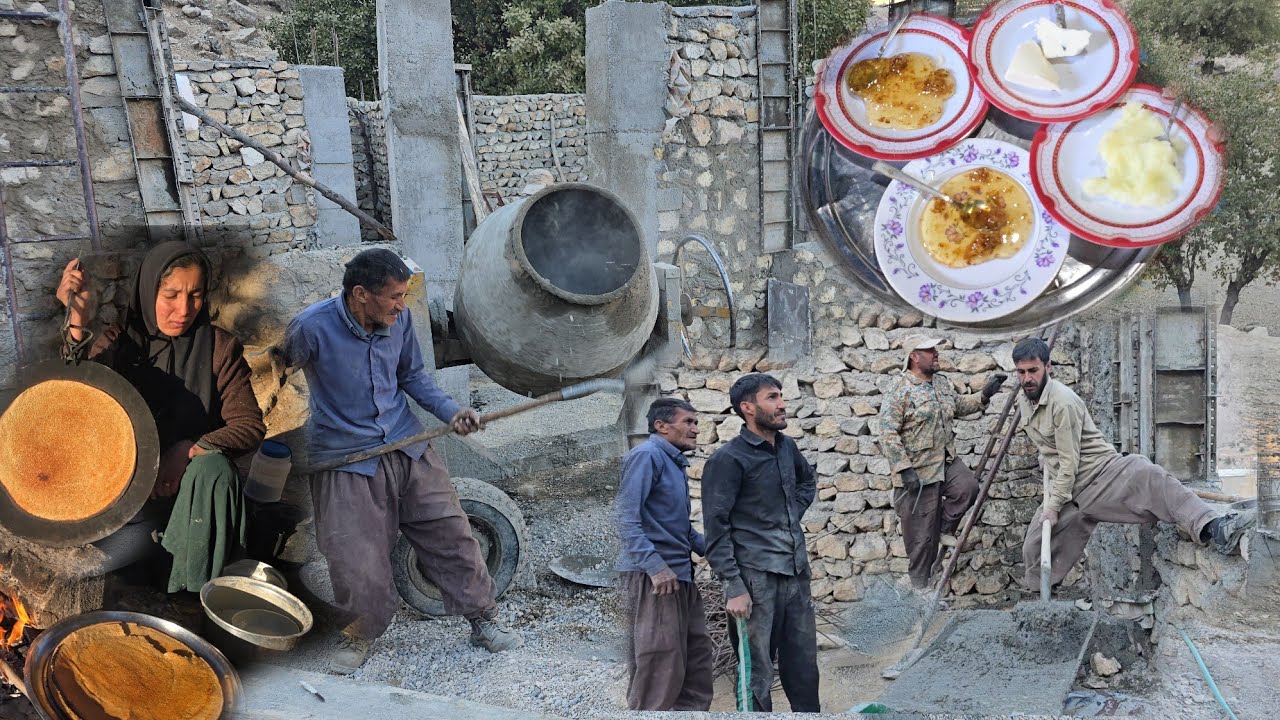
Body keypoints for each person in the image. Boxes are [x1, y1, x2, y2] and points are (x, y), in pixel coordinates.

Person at [282, 248, 521, 675]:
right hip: (345, 459)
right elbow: (270, 376)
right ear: (360, 295)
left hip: (407, 445)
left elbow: (412, 376)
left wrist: (451, 411)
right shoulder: (311, 328)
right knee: (355, 556)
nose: (401, 304)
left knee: (451, 533)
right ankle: (359, 632)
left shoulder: (399, 320)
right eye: (394, 296)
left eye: (403, 295)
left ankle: (483, 621)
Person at [55, 242, 266, 592]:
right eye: (170, 294)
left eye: (195, 295)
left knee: (214, 468)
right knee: (83, 566)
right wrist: (76, 319)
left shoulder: (219, 348)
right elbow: (70, 399)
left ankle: (196, 590)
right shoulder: (118, 344)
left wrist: (189, 448)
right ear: (148, 289)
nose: (183, 309)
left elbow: (249, 426)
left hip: (190, 496)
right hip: (126, 491)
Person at [1012, 337, 1256, 590]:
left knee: (1147, 474)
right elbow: (1052, 447)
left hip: (1101, 475)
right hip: (1068, 488)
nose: (1027, 378)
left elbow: (1069, 461)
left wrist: (1051, 507)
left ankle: (1214, 527)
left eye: (1033, 371)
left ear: (1048, 367)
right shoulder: (1024, 400)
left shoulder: (1063, 402)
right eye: (1021, 372)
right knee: (1034, 546)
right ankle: (1041, 607)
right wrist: (1046, 457)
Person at [702, 373, 820, 713]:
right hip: (755, 581)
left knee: (803, 667)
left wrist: (787, 517)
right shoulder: (728, 460)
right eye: (772, 397)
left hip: (795, 574)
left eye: (781, 395)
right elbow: (716, 529)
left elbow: (806, 483)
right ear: (748, 408)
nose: (782, 404)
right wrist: (734, 587)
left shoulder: (787, 447)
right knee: (757, 671)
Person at [878, 337, 1006, 593]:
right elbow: (887, 432)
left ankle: (941, 529)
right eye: (930, 350)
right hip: (917, 472)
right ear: (914, 356)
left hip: (945, 462)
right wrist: (904, 469)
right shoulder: (900, 388)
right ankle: (919, 590)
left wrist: (983, 395)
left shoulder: (942, 384)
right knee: (920, 541)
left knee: (967, 489)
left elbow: (959, 406)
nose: (936, 354)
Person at [614, 397, 714, 711]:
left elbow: (679, 529)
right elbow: (625, 517)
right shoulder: (647, 456)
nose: (696, 429)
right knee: (660, 664)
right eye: (688, 422)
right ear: (661, 425)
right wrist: (655, 566)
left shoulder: (673, 462)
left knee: (696, 659)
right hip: (655, 579)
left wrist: (719, 551)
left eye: (696, 422)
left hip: (680, 575)